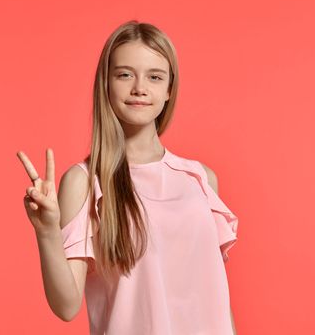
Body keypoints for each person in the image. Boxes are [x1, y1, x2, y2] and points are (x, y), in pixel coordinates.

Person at [17, 20, 239, 335]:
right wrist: (47, 231)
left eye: (154, 76)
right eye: (124, 74)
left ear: (168, 90)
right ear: (105, 83)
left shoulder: (200, 179)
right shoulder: (84, 182)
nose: (139, 88)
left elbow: (216, 297)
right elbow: (66, 306)